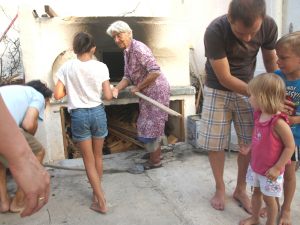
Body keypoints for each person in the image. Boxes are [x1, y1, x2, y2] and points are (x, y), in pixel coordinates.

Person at [199, 0, 278, 212]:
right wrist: (260, 94)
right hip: (218, 88)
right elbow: (224, 77)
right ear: (229, 18)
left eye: (253, 32)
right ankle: (220, 187)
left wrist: (278, 90)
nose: (248, 38)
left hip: (249, 86)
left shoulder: (269, 26)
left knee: (250, 142)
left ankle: (241, 188)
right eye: (241, 33)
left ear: (262, 19)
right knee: (215, 143)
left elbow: (271, 63)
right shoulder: (215, 30)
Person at [54, 31, 112, 214]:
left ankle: (100, 200)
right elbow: (108, 96)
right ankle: (98, 195)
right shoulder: (101, 66)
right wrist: (112, 91)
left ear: (74, 49)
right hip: (97, 113)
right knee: (98, 157)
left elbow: (57, 95)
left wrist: (72, 89)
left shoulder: (66, 67)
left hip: (79, 115)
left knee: (88, 161)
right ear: (93, 48)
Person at [106, 20, 170, 173]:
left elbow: (155, 71)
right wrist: (116, 89)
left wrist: (138, 87)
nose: (116, 40)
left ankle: (155, 161)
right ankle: (153, 155)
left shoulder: (139, 49)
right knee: (146, 124)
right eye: (114, 37)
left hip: (156, 92)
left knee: (153, 125)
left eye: (119, 35)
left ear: (129, 33)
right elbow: (127, 76)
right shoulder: (127, 52)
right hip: (146, 92)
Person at [239, 73, 295, 225]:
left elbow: (290, 147)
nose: (249, 98)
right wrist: (250, 148)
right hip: (257, 166)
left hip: (271, 172)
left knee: (269, 200)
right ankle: (255, 218)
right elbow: (259, 136)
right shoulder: (259, 115)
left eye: (252, 95)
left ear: (263, 97)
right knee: (256, 193)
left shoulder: (278, 122)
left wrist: (277, 168)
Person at [0, 80, 52, 217]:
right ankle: (19, 201)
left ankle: (3, 203)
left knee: (1, 162)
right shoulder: (38, 96)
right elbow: (28, 125)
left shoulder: (13, 90)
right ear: (45, 97)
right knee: (39, 152)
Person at [274, 31, 300, 225]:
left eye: (283, 58)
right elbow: (265, 102)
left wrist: (294, 120)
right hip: (273, 138)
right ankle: (271, 203)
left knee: (289, 175)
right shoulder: (276, 77)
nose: (277, 61)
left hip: (294, 140)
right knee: (272, 174)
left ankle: (286, 209)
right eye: (277, 56)